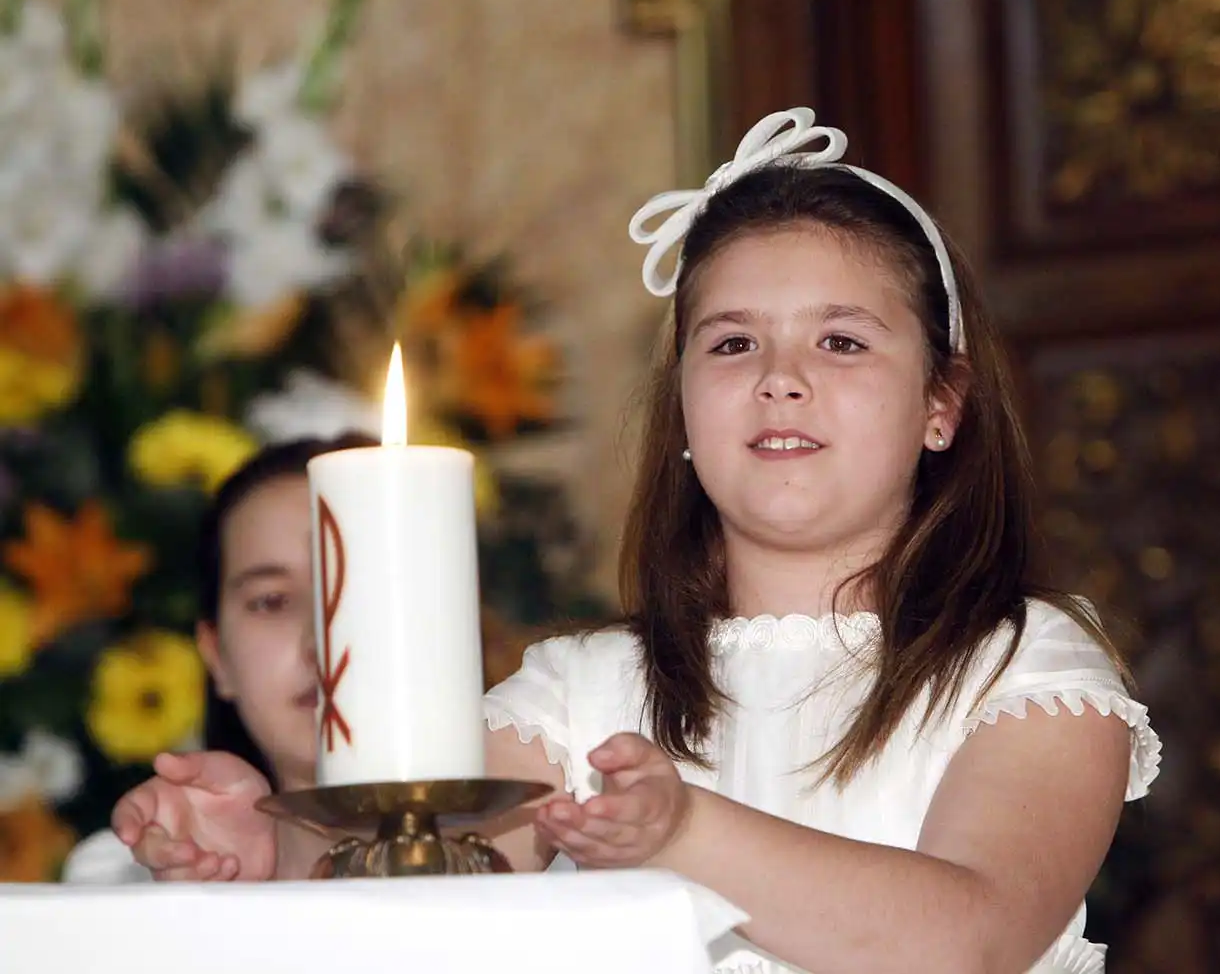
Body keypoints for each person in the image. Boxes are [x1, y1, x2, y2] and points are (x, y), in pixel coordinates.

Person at [110, 108, 1161, 974]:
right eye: (733, 342)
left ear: (942, 403)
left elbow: (967, 940)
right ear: (685, 410)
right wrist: (275, 856)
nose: (780, 378)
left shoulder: (1027, 668)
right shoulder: (578, 695)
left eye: (841, 341)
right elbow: (415, 910)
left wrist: (684, 833)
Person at [64, 434, 379, 883]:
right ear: (216, 656)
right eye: (272, 601)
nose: (322, 642)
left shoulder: (497, 873)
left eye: (359, 590)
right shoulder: (125, 875)